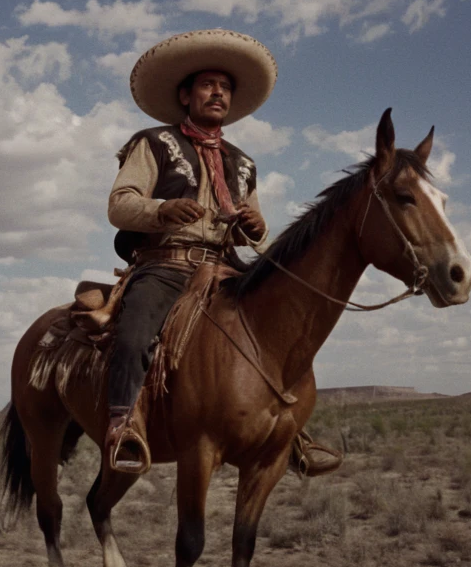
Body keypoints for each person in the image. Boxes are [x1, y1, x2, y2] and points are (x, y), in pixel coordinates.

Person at [103, 29, 341, 478]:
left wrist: (255, 228)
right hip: (167, 263)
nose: (219, 93)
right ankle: (124, 424)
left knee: (282, 331)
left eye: (225, 87)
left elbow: (256, 228)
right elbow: (119, 204)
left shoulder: (244, 162)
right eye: (209, 84)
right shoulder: (152, 143)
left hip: (227, 268)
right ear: (185, 94)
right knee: (135, 332)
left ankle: (287, 429)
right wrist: (163, 209)